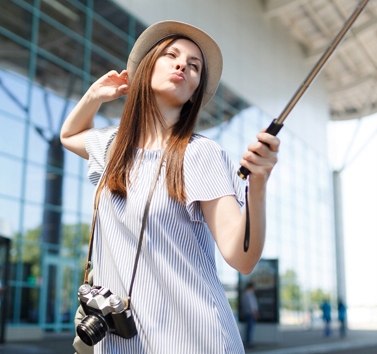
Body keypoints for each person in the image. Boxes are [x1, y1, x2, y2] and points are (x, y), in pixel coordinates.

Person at [61, 20, 280, 353]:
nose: (183, 65)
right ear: (147, 67)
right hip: (124, 344)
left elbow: (242, 258)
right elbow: (69, 135)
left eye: (194, 66)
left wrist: (259, 185)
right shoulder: (111, 146)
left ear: (195, 91)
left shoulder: (200, 153)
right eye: (172, 55)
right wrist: (94, 96)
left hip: (194, 340)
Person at [240, 282, 260, 347]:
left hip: (250, 313)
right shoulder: (248, 294)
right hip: (250, 314)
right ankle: (249, 342)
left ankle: (249, 342)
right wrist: (255, 313)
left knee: (249, 328)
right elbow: (251, 305)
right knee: (250, 328)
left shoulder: (249, 294)